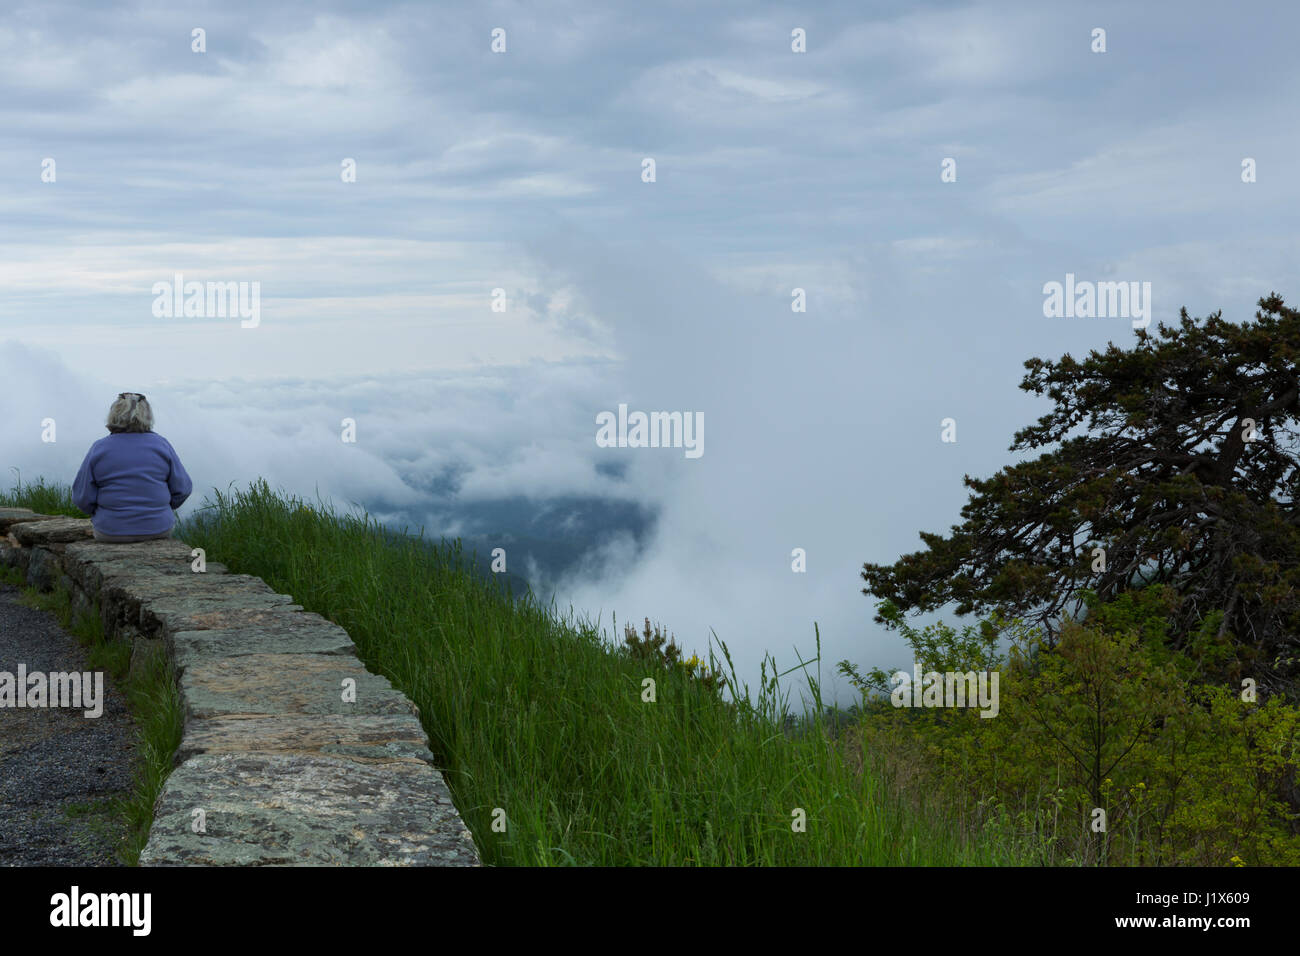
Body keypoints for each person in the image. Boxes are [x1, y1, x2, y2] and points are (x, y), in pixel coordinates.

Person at [72, 393, 193, 543]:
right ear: (147, 415)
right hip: (159, 529)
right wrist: (160, 508)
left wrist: (103, 513)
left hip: (110, 531)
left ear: (114, 415)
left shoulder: (99, 448)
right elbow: (183, 489)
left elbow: (82, 497)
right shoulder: (162, 445)